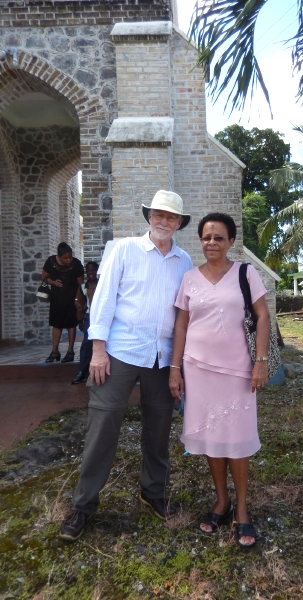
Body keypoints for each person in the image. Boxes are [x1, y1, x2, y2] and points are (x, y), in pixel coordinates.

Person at [59, 190, 193, 542]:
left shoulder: (184, 261)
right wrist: (98, 351)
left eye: (171, 217)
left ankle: (154, 492)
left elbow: (184, 315)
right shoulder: (125, 250)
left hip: (162, 358)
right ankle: (83, 506)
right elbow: (102, 301)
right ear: (149, 217)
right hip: (118, 352)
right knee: (103, 428)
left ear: (179, 223)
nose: (164, 222)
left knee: (159, 429)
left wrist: (181, 362)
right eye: (158, 215)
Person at [169, 212, 270, 549]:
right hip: (197, 369)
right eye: (207, 237)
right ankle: (221, 501)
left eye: (219, 238)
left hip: (239, 371)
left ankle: (241, 508)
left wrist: (261, 362)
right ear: (200, 241)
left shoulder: (245, 273)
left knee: (237, 437)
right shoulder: (189, 279)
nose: (212, 243)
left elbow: (262, 316)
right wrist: (174, 368)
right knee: (212, 436)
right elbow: (181, 325)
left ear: (230, 242)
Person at [42, 242, 84, 363]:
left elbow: (80, 284)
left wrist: (77, 299)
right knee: (57, 324)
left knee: (71, 325)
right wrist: (53, 282)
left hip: (72, 299)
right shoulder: (50, 262)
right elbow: (44, 276)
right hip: (56, 298)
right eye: (65, 258)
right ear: (59, 256)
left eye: (70, 257)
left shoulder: (76, 264)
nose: (68, 260)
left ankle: (70, 352)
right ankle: (55, 351)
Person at [72, 261, 99, 384]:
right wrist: (80, 319)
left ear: (97, 271)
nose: (91, 272)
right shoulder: (83, 287)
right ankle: (82, 371)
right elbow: (79, 304)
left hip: (101, 316)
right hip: (89, 317)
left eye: (93, 270)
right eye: (88, 271)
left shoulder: (103, 284)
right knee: (87, 344)